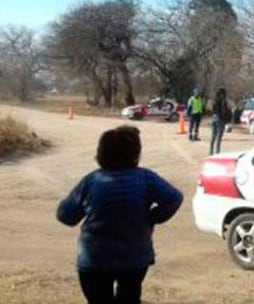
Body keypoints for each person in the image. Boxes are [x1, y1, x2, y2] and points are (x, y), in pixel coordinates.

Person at [56, 126, 183, 304]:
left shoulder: (91, 181)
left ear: (101, 153)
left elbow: (65, 216)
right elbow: (174, 198)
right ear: (135, 154)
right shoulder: (146, 178)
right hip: (135, 258)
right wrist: (152, 218)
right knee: (129, 298)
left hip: (94, 260)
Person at [210, 88, 231, 155]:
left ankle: (211, 152)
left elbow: (213, 110)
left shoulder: (214, 100)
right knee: (219, 137)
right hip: (220, 119)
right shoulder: (223, 101)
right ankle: (217, 152)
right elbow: (224, 111)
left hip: (214, 118)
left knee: (213, 136)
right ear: (222, 94)